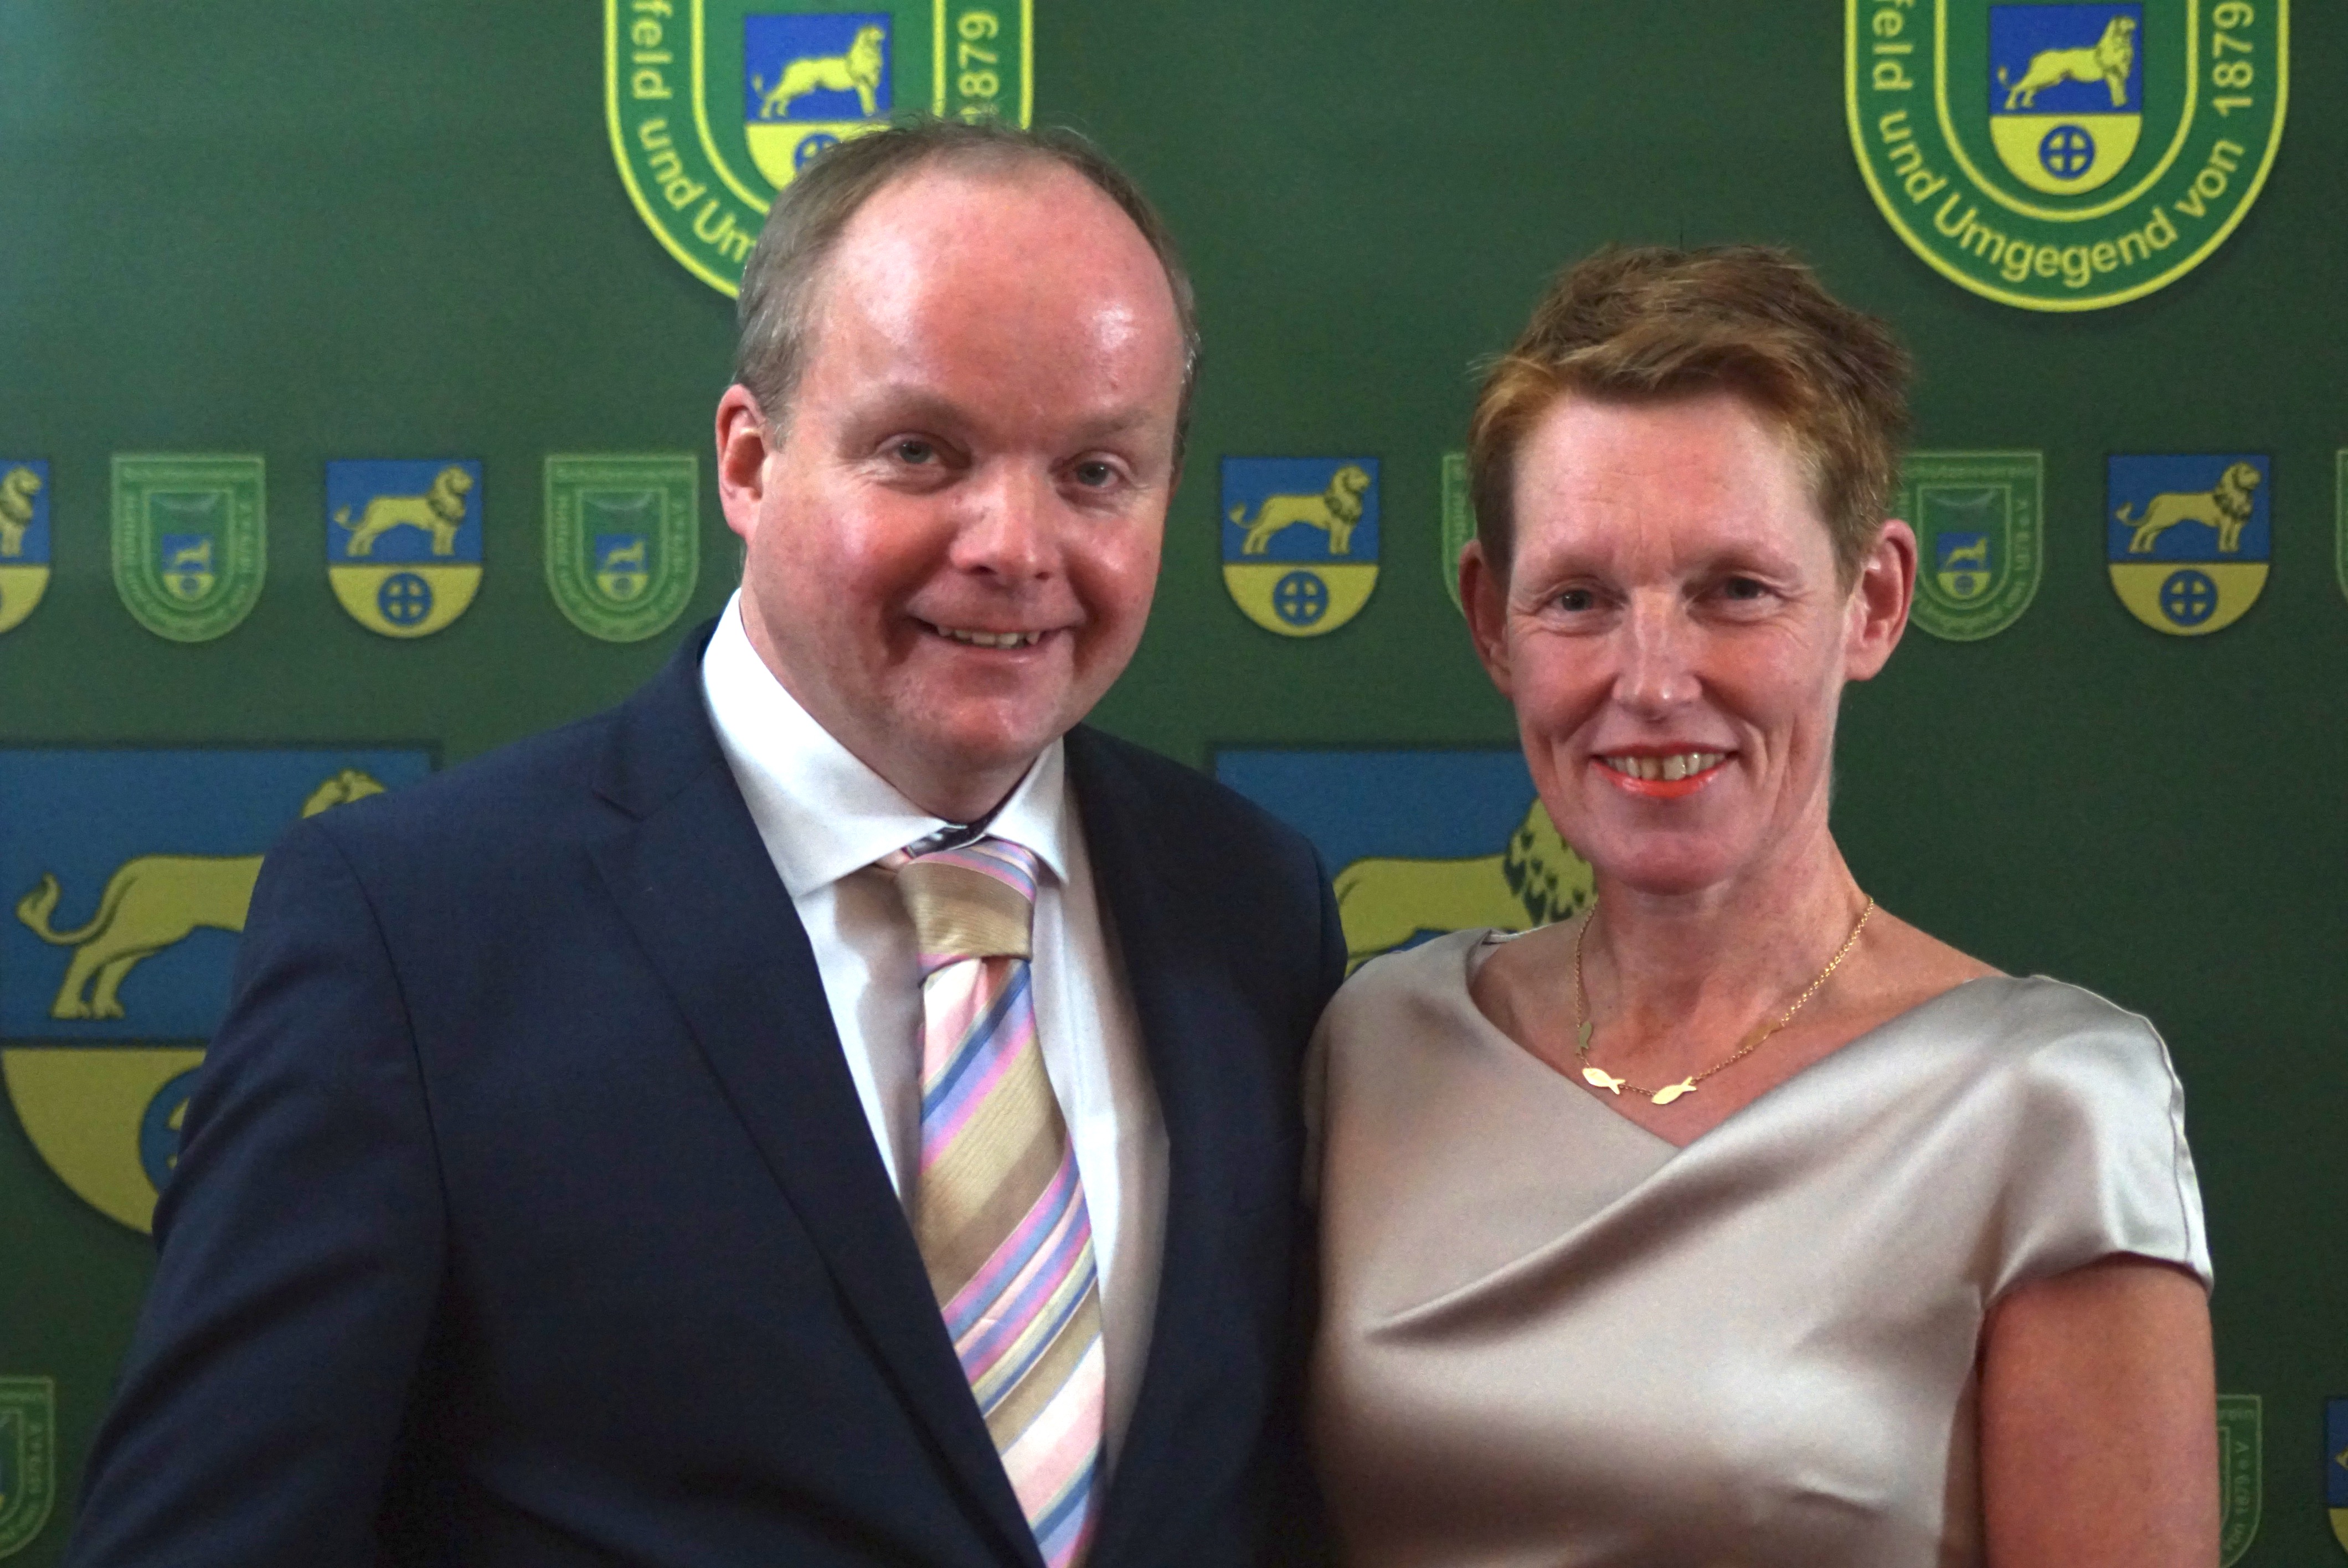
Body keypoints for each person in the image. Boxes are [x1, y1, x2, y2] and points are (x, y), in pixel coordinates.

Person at [65, 121, 1342, 1568]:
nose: (1014, 543)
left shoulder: (1254, 905)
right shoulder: (412, 935)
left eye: (1097, 471)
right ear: (749, 461)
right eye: (922, 452)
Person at [1309, 245, 2215, 1566]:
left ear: (1872, 601)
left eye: (1733, 591)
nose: (1651, 680)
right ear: (1490, 623)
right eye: (1578, 599)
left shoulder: (2050, 1104)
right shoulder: (1377, 1043)